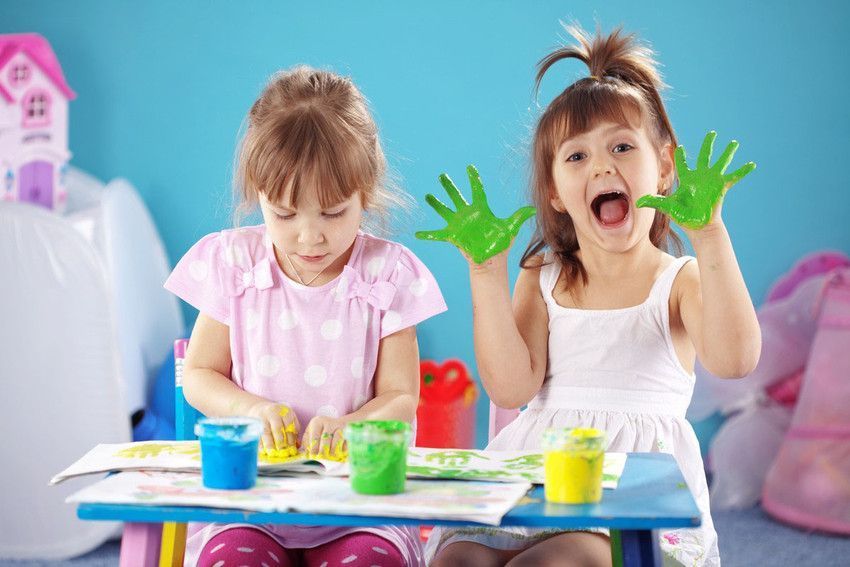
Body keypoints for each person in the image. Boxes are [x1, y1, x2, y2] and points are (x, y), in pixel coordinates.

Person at [425, 26, 760, 567]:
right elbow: (511, 389)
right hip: (535, 486)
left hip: (629, 506)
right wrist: (487, 272)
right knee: (457, 559)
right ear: (555, 192)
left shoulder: (679, 281)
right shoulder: (543, 275)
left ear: (665, 167)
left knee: (557, 560)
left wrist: (711, 236)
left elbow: (736, 358)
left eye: (622, 147)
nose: (603, 166)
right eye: (576, 157)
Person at [165, 66, 446, 567]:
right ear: (258, 196)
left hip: (359, 505)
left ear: (367, 192)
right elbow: (200, 377)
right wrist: (251, 409)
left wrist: (357, 424)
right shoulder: (237, 266)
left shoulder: (386, 275)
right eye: (285, 213)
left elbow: (403, 398)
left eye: (334, 212)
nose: (309, 237)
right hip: (251, 504)